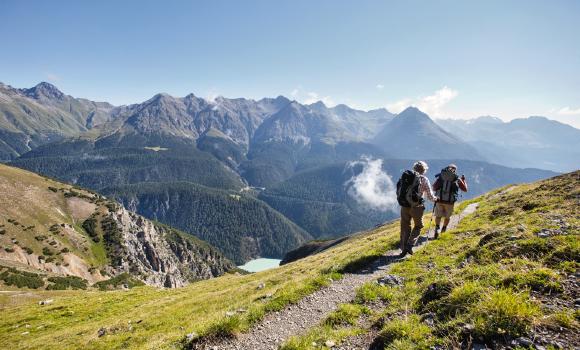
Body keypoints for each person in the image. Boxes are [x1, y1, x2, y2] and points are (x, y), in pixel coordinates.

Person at [396, 161, 438, 257]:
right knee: (418, 226)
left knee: (405, 226)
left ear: (414, 168)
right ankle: (410, 245)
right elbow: (430, 195)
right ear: (424, 170)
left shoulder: (406, 177)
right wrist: (436, 199)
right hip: (417, 207)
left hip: (404, 205)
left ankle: (403, 248)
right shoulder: (424, 179)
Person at [432, 164, 468, 238]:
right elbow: (465, 189)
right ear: (455, 170)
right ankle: (443, 229)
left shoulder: (441, 176)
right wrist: (464, 180)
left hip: (439, 200)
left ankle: (437, 228)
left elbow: (434, 188)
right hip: (450, 202)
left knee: (438, 216)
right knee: (447, 217)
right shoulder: (457, 178)